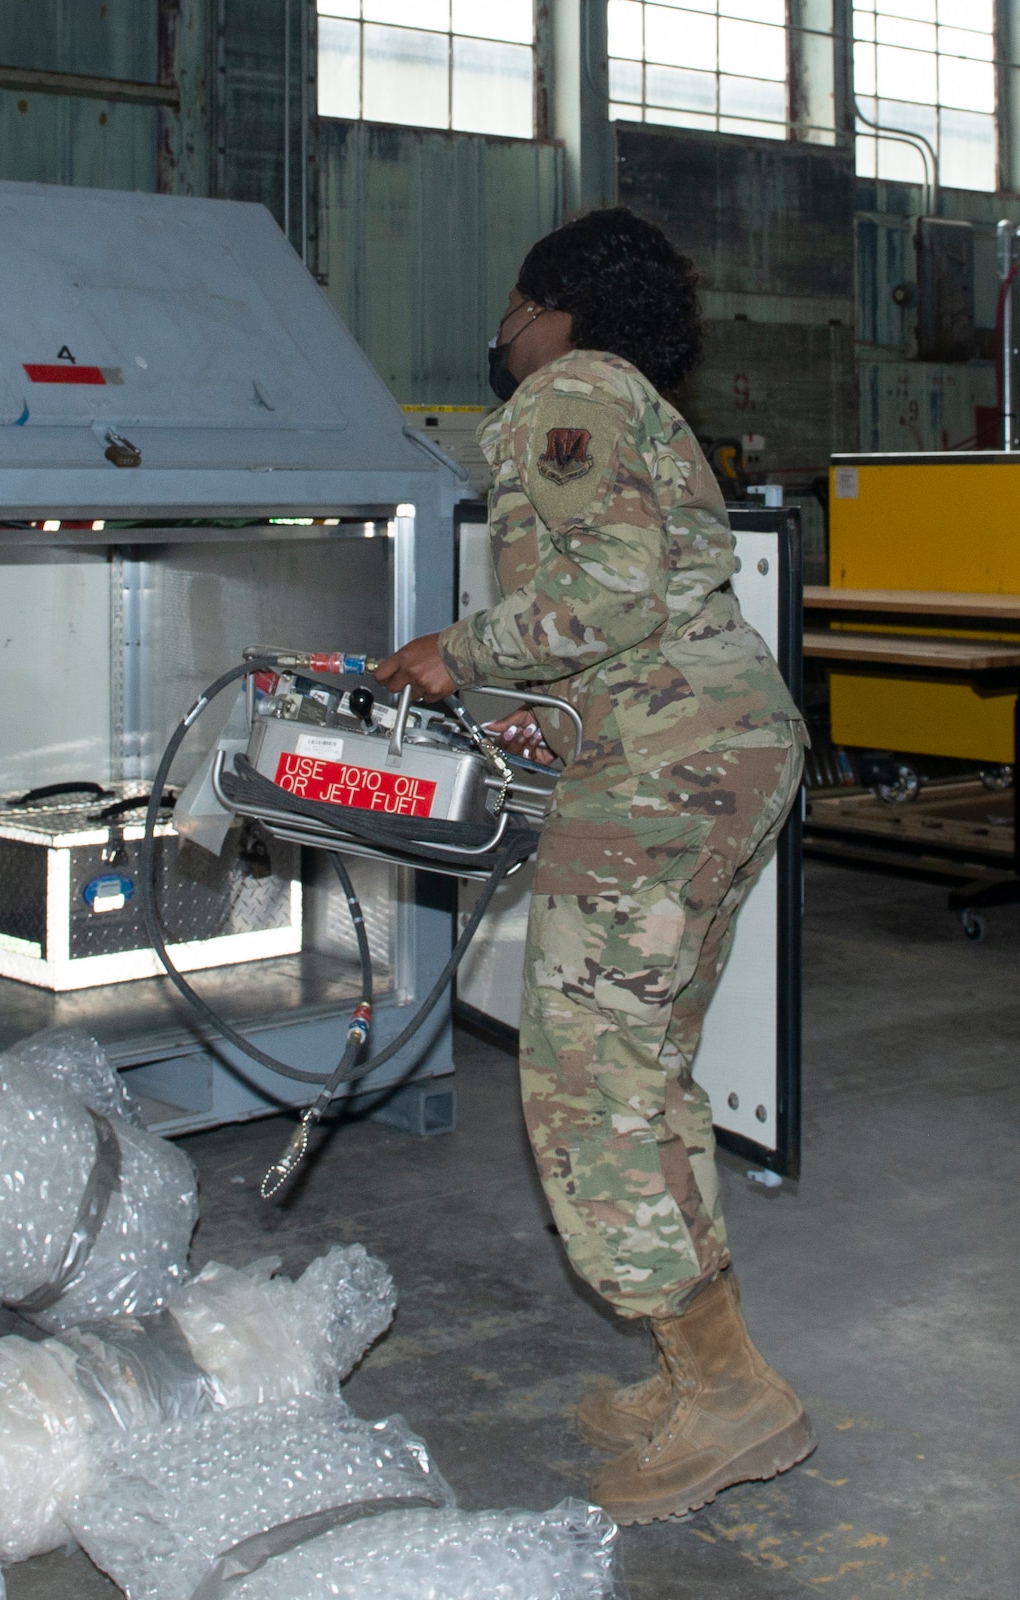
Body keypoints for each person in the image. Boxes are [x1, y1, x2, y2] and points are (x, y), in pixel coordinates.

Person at [375, 206, 814, 1525]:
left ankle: (733, 1394)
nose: (503, 332)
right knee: (647, 1073)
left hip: (665, 779)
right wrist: (530, 694)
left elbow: (611, 588)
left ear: (552, 307)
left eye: (513, 306)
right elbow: (632, 605)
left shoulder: (567, 392)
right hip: (703, 751)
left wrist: (458, 650)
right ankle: (696, 1366)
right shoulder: (630, 401)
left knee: (586, 1087)